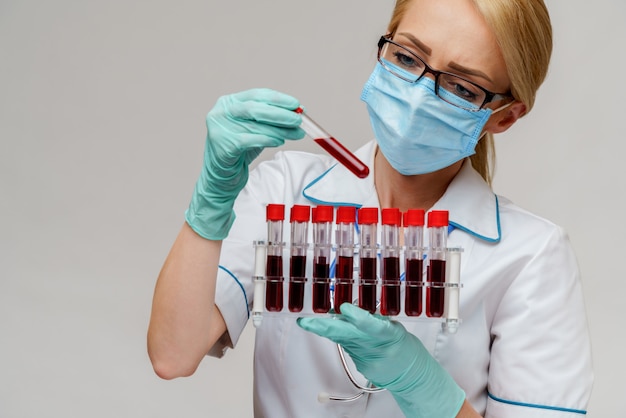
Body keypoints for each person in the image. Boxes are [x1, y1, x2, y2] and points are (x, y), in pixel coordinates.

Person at [147, 0, 593, 416]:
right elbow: (172, 354)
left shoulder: (531, 257)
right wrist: (211, 203)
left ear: (504, 116)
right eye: (406, 58)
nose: (418, 95)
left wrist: (423, 385)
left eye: (461, 86)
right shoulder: (285, 192)